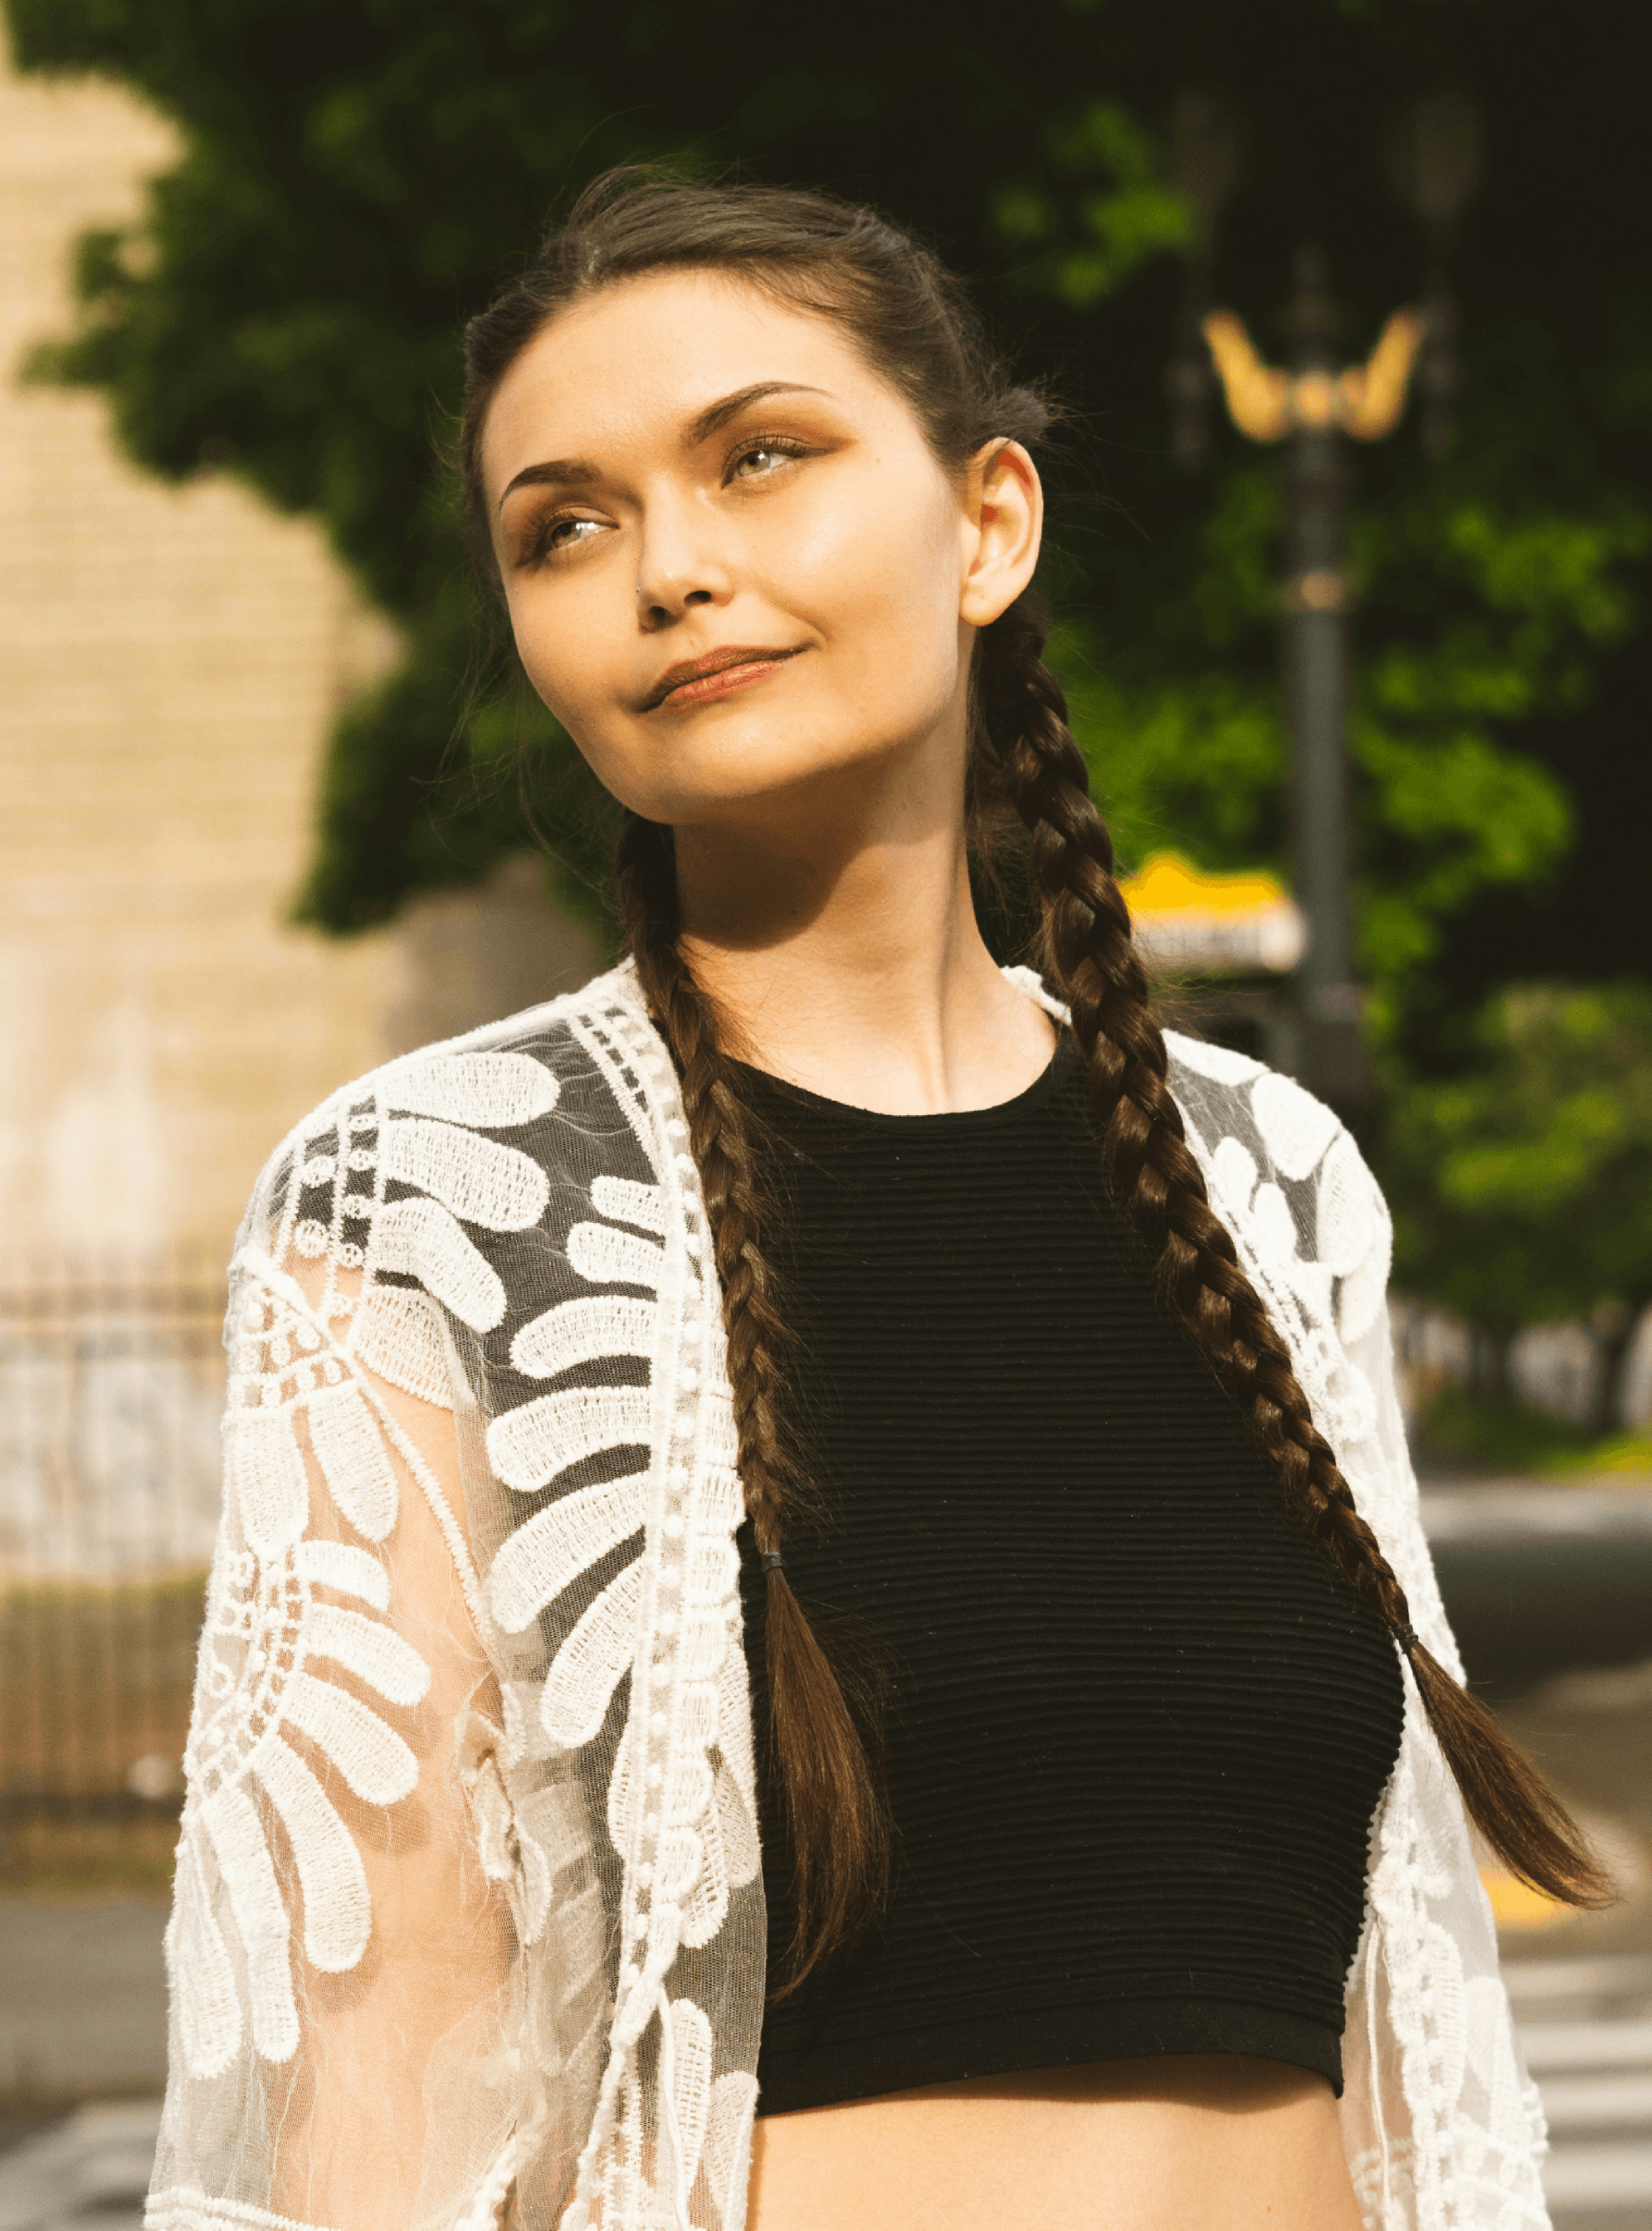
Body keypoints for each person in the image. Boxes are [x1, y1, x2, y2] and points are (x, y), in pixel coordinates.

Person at [146, 174, 1607, 2231]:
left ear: (988, 523)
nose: (670, 569)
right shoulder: (441, 1202)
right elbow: (367, 2109)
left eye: (760, 457)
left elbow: (1398, 2027)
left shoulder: (1264, 1179)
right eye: (565, 527)